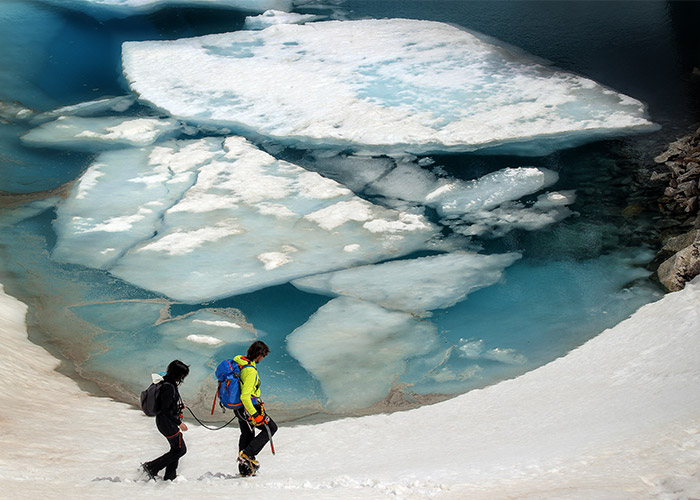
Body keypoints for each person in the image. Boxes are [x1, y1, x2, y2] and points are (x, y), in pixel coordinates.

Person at [233, 341, 278, 476]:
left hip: (239, 408)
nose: (262, 359)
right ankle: (247, 455)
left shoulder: (241, 362)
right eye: (263, 355)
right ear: (259, 354)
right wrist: (255, 414)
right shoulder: (250, 371)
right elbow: (245, 396)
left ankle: (245, 470)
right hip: (249, 407)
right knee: (271, 428)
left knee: (247, 433)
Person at [141, 359, 189, 481]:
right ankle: (151, 467)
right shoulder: (169, 387)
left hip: (164, 422)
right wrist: (179, 423)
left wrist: (178, 407)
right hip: (167, 423)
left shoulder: (166, 383)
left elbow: (166, 406)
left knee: (176, 448)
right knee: (180, 449)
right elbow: (165, 410)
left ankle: (170, 476)